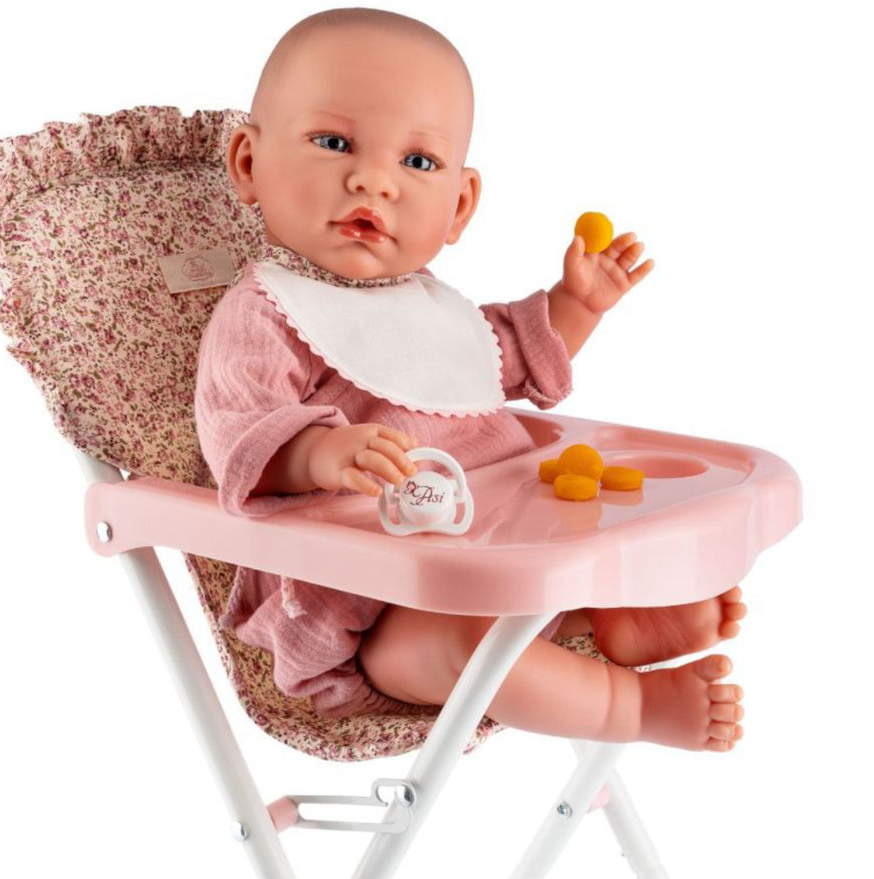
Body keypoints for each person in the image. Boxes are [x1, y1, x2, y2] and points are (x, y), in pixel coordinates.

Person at [196, 7, 746, 751]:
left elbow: (503, 359)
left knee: (515, 594)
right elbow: (239, 426)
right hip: (373, 605)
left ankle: (596, 618)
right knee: (462, 644)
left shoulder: (432, 310)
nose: (373, 180)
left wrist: (577, 305)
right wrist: (321, 453)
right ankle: (632, 705)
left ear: (458, 207)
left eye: (418, 162)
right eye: (334, 143)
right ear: (247, 164)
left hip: (500, 551)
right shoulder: (262, 312)